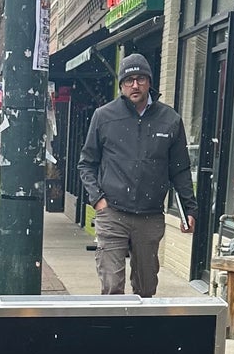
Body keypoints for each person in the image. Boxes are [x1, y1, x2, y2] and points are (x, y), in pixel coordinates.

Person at [77, 54, 195, 297]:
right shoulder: (104, 116)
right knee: (112, 286)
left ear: (149, 82)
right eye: (128, 80)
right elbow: (86, 164)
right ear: (121, 85)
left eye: (140, 79)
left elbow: (180, 170)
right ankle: (114, 323)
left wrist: (189, 209)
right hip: (112, 213)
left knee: (146, 288)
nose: (135, 85)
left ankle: (140, 323)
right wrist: (98, 199)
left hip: (150, 216)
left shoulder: (170, 120)